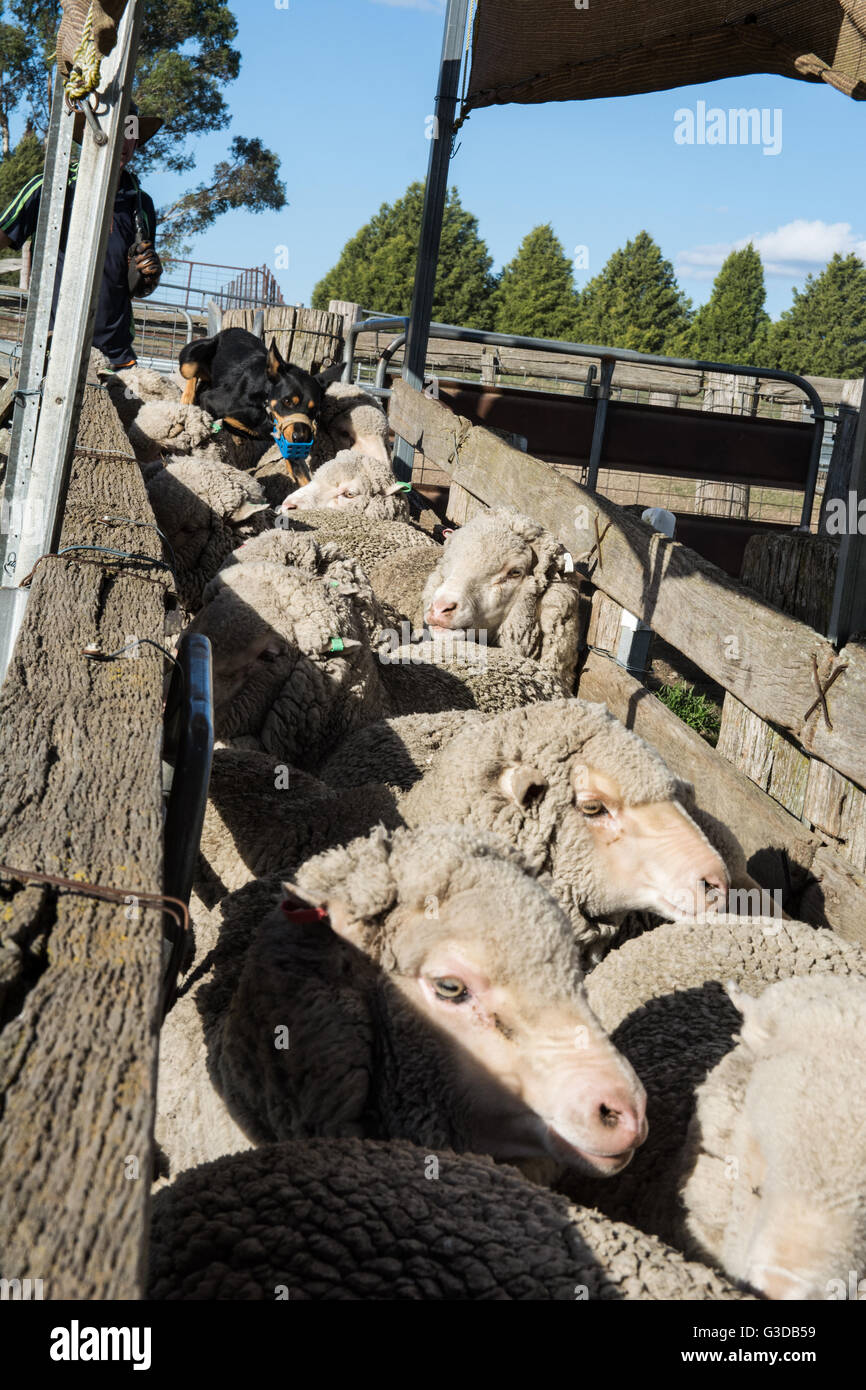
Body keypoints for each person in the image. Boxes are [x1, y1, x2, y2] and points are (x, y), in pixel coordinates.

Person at [0, 102, 164, 368]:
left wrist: (148, 278)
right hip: (54, 345)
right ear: (93, 134)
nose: (123, 140)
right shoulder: (52, 185)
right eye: (115, 130)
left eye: (130, 131)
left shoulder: (141, 204)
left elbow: (135, 283)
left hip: (117, 354)